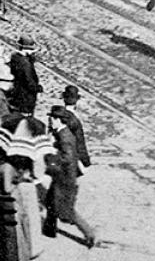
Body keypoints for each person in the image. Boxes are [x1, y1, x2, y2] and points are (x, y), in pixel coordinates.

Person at [43, 106, 97, 247]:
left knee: (67, 211)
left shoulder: (64, 137)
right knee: (50, 201)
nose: (50, 121)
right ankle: (49, 229)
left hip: (65, 179)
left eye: (52, 118)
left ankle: (90, 233)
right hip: (62, 177)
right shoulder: (62, 133)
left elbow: (67, 158)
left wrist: (51, 155)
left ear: (58, 120)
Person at [59, 85, 91, 173]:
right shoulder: (75, 120)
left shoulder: (56, 116)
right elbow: (80, 142)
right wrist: (85, 161)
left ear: (64, 99)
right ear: (76, 100)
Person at [8, 35, 41, 114]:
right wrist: (38, 88)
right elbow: (29, 81)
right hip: (25, 96)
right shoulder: (25, 63)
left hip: (17, 91)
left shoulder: (15, 57)